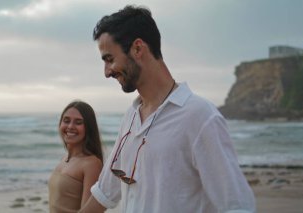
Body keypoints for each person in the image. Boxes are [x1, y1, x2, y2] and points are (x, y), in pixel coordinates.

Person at [79, 5, 256, 213]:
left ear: (138, 48)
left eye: (110, 59)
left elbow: (237, 206)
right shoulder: (131, 116)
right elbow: (105, 192)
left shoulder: (200, 117)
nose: (107, 72)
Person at [48, 100, 103, 213]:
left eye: (78, 122)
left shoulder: (91, 164)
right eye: (66, 121)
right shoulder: (65, 159)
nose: (70, 126)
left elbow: (89, 211)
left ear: (88, 127)